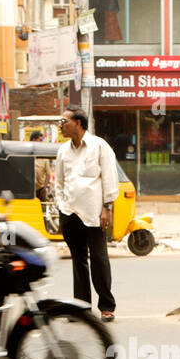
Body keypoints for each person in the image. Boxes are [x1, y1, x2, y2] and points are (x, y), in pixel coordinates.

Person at [54, 107, 119, 321]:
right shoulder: (63, 150)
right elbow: (60, 182)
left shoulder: (99, 146)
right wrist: (62, 206)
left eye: (64, 121)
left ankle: (106, 306)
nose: (60, 125)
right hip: (70, 212)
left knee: (99, 259)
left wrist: (107, 207)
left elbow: (109, 178)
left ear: (79, 123)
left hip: (94, 213)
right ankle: (81, 308)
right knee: (78, 260)